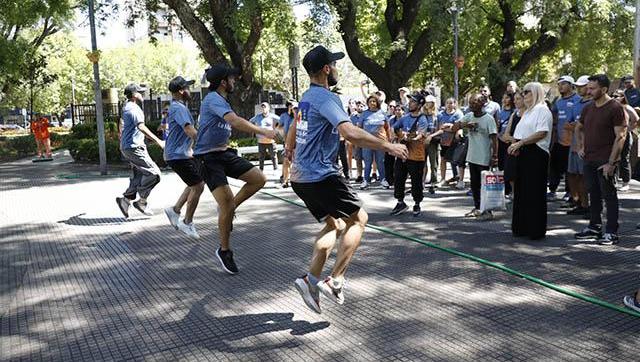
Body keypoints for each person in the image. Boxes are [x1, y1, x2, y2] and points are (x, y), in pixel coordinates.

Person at [287, 45, 407, 314]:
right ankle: (335, 280)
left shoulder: (306, 97)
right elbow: (350, 133)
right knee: (359, 219)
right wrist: (389, 146)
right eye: (335, 65)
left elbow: (295, 125)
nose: (338, 69)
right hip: (320, 174)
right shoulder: (326, 98)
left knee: (334, 223)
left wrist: (288, 149)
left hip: (300, 177)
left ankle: (310, 280)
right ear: (327, 69)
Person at [193, 64, 277, 274]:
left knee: (258, 179)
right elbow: (234, 121)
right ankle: (224, 250)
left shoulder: (222, 100)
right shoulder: (213, 98)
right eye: (231, 79)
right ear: (223, 81)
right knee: (227, 202)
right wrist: (263, 130)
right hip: (208, 158)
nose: (234, 82)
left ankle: (229, 210)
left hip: (223, 153)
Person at [574, 74, 628, 245]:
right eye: (588, 88)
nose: (588, 91)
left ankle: (611, 232)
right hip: (589, 159)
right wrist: (581, 146)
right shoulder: (588, 108)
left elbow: (621, 136)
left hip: (606, 161)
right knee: (593, 194)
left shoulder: (615, 108)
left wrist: (611, 163)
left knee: (609, 196)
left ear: (604, 89)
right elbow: (579, 127)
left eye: (592, 88)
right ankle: (594, 227)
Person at [508, 83, 553, 240]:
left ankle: (535, 229)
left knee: (534, 192)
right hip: (523, 152)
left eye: (527, 92)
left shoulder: (542, 110)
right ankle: (522, 227)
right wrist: (515, 144)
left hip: (536, 153)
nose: (524, 95)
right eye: (523, 92)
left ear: (536, 93)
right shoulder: (527, 112)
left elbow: (541, 132)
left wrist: (521, 143)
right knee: (522, 192)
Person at [163, 76, 205, 238]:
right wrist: (204, 144)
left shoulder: (177, 106)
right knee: (198, 185)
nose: (190, 91)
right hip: (178, 155)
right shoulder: (179, 108)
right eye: (187, 88)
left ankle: (175, 210)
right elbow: (189, 130)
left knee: (196, 181)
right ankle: (187, 222)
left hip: (182, 154)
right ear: (181, 91)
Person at [116, 83, 165, 218]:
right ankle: (142, 202)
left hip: (129, 146)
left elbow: (123, 126)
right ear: (134, 94)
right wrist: (158, 141)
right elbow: (141, 127)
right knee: (154, 174)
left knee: (139, 176)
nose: (142, 94)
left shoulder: (127, 107)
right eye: (140, 92)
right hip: (134, 147)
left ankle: (125, 201)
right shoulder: (133, 108)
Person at [450, 93, 498, 220]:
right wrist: (465, 125)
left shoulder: (488, 119)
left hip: (484, 157)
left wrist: (495, 156)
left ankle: (487, 211)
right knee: (474, 184)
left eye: (475, 103)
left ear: (482, 104)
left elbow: (494, 138)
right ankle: (478, 207)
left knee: (484, 185)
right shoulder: (469, 116)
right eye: (470, 103)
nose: (471, 105)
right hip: (472, 156)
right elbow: (454, 127)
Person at [390, 93, 428, 216]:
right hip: (403, 153)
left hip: (416, 155)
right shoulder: (404, 117)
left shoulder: (422, 119)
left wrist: (411, 137)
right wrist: (398, 136)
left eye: (413, 102)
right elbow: (394, 128)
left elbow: (420, 134)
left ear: (419, 105)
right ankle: (400, 202)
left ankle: (417, 204)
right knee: (399, 177)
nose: (410, 103)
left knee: (416, 181)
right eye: (410, 101)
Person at [548, 76, 581, 201]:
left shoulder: (578, 100)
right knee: (555, 167)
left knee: (570, 169)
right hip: (559, 140)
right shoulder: (558, 101)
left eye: (563, 84)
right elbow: (554, 118)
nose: (560, 86)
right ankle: (552, 190)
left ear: (571, 85)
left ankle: (569, 192)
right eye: (558, 84)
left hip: (573, 142)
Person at [564, 75, 591, 217]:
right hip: (574, 145)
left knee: (585, 176)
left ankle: (588, 206)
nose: (579, 88)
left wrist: (580, 126)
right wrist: (576, 126)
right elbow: (568, 124)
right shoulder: (576, 104)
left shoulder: (593, 103)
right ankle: (579, 203)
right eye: (578, 86)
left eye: (582, 85)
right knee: (573, 175)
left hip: (587, 147)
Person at [359, 94, 391, 190]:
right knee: (368, 162)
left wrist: (389, 140)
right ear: (367, 103)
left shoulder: (382, 113)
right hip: (367, 142)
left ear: (377, 103)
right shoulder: (364, 114)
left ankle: (383, 180)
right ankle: (366, 181)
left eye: (374, 101)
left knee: (380, 161)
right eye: (370, 101)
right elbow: (359, 127)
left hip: (380, 142)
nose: (372, 103)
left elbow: (387, 127)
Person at [433, 97, 464, 187]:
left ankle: (460, 180)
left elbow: (458, 127)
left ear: (455, 104)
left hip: (455, 141)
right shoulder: (440, 115)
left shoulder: (458, 114)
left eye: (451, 103)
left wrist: (449, 127)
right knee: (443, 160)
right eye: (447, 103)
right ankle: (442, 179)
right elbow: (439, 128)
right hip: (444, 141)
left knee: (457, 160)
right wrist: (450, 128)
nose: (449, 105)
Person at [500, 91, 525, 199]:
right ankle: (514, 194)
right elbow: (506, 135)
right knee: (510, 172)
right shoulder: (514, 114)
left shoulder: (530, 114)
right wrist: (515, 141)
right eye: (514, 99)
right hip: (513, 147)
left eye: (518, 99)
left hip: (525, 148)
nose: (515, 101)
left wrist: (520, 142)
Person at [612, 89, 638, 192]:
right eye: (613, 96)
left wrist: (629, 129)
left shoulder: (626, 107)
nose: (614, 98)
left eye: (617, 96)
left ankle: (626, 182)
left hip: (625, 136)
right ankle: (613, 180)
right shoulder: (612, 108)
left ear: (623, 97)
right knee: (613, 157)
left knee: (624, 158)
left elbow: (636, 119)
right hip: (614, 136)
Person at [250, 102, 279, 171]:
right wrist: (255, 129)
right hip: (261, 141)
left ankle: (275, 170)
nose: (263, 109)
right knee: (261, 157)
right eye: (262, 107)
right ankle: (261, 170)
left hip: (271, 141)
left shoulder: (273, 116)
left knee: (273, 156)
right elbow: (250, 121)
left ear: (268, 108)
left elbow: (282, 121)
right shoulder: (257, 117)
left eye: (265, 107)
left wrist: (276, 130)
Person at [497, 93, 515, 196]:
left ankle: (512, 190)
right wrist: (500, 137)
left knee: (509, 166)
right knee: (501, 166)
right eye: (503, 97)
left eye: (507, 97)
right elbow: (498, 127)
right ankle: (505, 190)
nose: (504, 100)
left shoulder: (514, 112)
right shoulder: (500, 112)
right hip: (501, 142)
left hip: (511, 143)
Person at [278, 100, 297, 188]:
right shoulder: (284, 116)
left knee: (296, 162)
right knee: (286, 161)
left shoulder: (299, 115)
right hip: (287, 142)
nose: (291, 108)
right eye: (289, 106)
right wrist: (283, 136)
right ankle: (285, 181)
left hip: (298, 142)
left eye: (293, 106)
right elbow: (279, 126)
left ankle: (295, 179)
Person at [422, 95, 439, 188]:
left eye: (429, 102)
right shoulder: (422, 115)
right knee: (422, 162)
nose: (427, 104)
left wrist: (431, 136)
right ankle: (422, 181)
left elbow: (440, 129)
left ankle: (434, 180)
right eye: (426, 102)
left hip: (433, 142)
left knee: (434, 162)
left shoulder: (437, 115)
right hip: (423, 141)